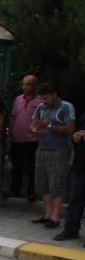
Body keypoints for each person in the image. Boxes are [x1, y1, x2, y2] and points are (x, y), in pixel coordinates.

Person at [30, 82, 76, 228]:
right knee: (42, 182)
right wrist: (34, 128)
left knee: (56, 183)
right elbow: (34, 122)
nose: (43, 102)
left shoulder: (66, 106)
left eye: (46, 98)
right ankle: (48, 214)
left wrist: (49, 126)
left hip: (59, 149)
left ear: (55, 95)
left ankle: (56, 216)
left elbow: (70, 128)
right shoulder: (40, 107)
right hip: (42, 147)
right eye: (41, 99)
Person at [9, 74, 42, 200]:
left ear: (34, 85)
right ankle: (15, 190)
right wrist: (9, 135)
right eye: (23, 84)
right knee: (16, 166)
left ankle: (31, 192)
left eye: (28, 84)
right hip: (17, 139)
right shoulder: (18, 99)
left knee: (31, 167)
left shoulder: (39, 101)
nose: (25, 87)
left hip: (33, 140)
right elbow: (13, 117)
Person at [54, 112, 85, 242]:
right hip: (80, 164)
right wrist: (75, 137)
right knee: (75, 199)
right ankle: (71, 230)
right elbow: (74, 132)